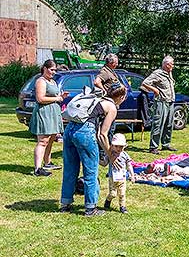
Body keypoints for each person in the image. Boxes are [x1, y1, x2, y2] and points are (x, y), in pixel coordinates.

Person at [60, 83, 127, 217]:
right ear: (121, 96)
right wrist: (110, 155)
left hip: (69, 130)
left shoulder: (97, 99)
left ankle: (65, 204)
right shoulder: (112, 107)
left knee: (69, 169)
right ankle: (91, 208)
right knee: (90, 171)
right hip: (84, 133)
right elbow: (102, 134)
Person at [29, 59, 69, 176]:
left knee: (51, 139)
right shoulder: (41, 81)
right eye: (51, 70)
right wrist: (57, 99)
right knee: (43, 141)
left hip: (53, 113)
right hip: (44, 113)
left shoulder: (52, 81)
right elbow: (40, 99)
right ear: (45, 69)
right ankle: (37, 169)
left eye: (55, 70)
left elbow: (54, 96)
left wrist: (61, 96)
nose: (53, 72)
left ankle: (47, 162)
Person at [140, 56, 177, 155]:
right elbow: (144, 83)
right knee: (158, 124)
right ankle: (153, 147)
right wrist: (154, 90)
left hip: (170, 101)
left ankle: (166, 144)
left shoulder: (169, 73)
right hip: (161, 101)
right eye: (171, 64)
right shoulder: (157, 73)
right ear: (166, 64)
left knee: (169, 124)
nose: (173, 66)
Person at [104, 133, 135, 214]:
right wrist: (96, 160)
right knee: (113, 194)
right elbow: (104, 163)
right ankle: (108, 200)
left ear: (124, 146)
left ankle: (122, 207)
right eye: (116, 146)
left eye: (121, 147)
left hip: (122, 178)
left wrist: (132, 175)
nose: (118, 148)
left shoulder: (125, 155)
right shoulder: (110, 155)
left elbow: (129, 165)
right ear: (112, 146)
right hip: (112, 178)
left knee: (122, 193)